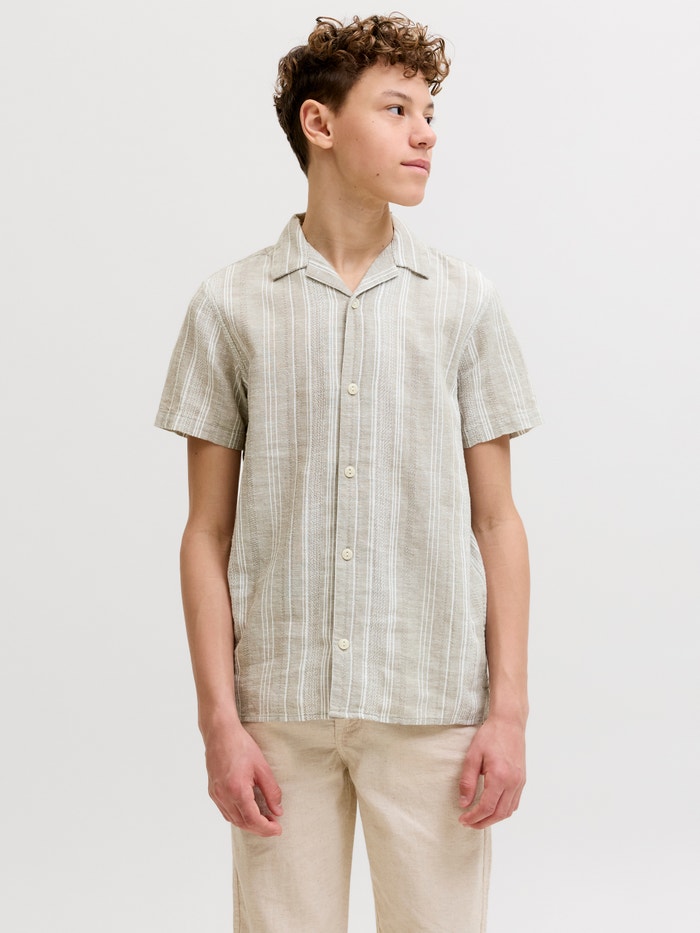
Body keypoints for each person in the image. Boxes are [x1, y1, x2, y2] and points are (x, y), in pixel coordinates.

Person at [155, 13, 541, 932]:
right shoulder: (229, 304)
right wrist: (220, 722)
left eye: (430, 112)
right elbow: (206, 531)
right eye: (397, 108)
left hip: (431, 702)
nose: (426, 133)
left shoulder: (465, 303)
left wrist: (508, 714)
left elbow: (497, 520)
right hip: (278, 711)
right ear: (320, 124)